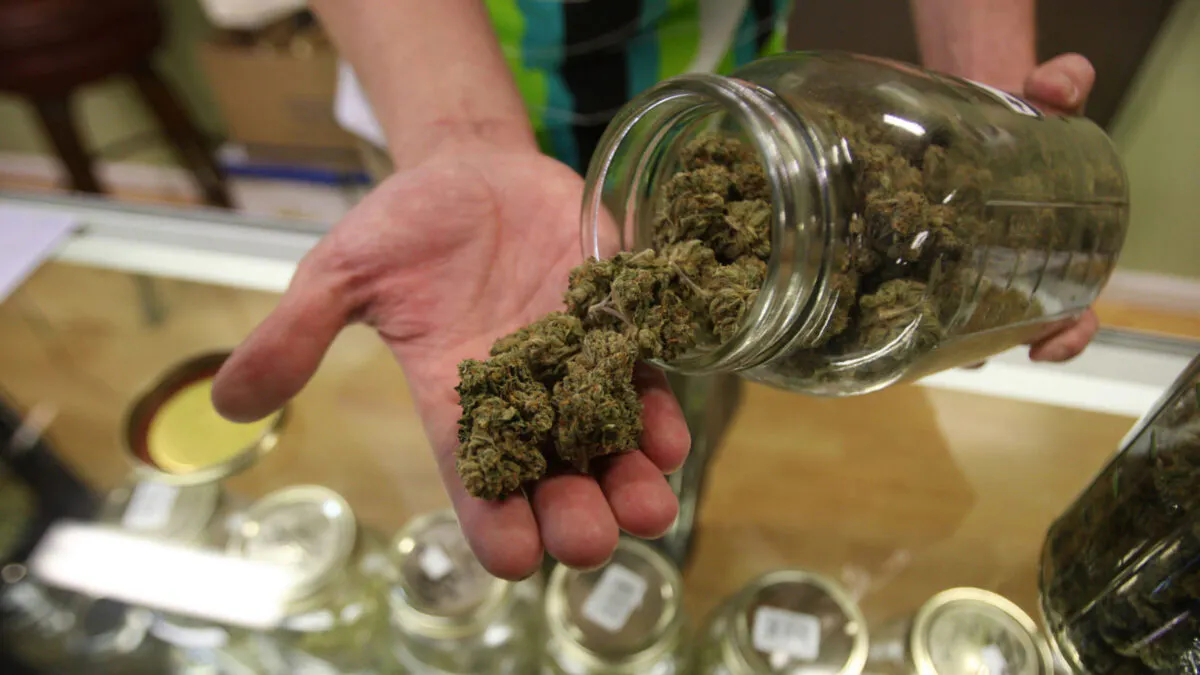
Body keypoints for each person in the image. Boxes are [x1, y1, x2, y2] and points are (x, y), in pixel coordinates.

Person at [210, 0, 1102, 582]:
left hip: (740, 108)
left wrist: (990, 128)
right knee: (624, 454)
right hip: (435, 90)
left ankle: (663, 541)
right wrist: (460, 136)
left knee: (691, 412)